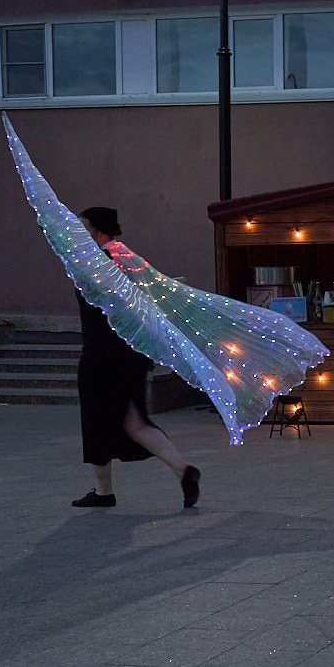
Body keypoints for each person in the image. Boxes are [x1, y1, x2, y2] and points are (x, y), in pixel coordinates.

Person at [69, 207, 201, 510]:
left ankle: (104, 493)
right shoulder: (124, 257)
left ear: (99, 231)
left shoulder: (99, 262)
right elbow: (152, 289)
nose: (78, 234)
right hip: (130, 355)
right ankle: (183, 470)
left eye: (83, 227)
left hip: (102, 355)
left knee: (96, 421)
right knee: (134, 422)